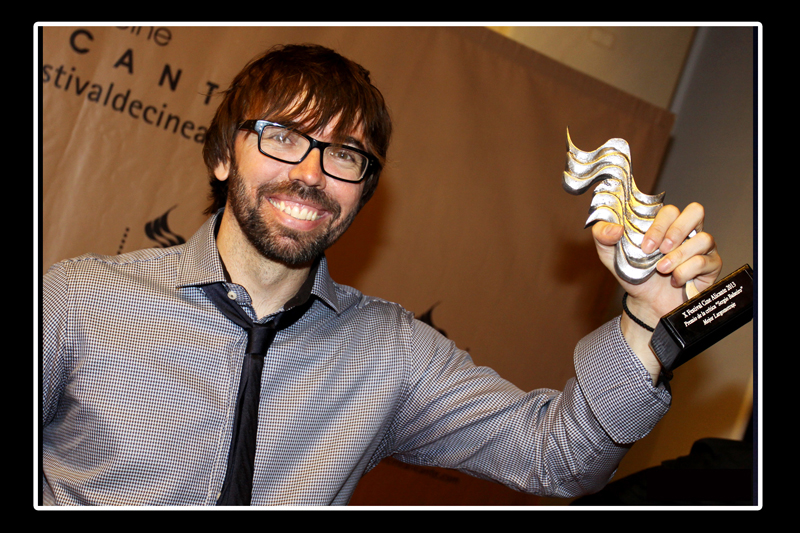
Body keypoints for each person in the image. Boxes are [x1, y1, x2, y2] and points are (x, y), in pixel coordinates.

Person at [41, 44, 722, 506]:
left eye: (344, 154)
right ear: (223, 155)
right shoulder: (77, 300)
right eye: (283, 137)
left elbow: (558, 458)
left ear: (362, 191)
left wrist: (645, 322)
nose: (311, 173)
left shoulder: (391, 353)